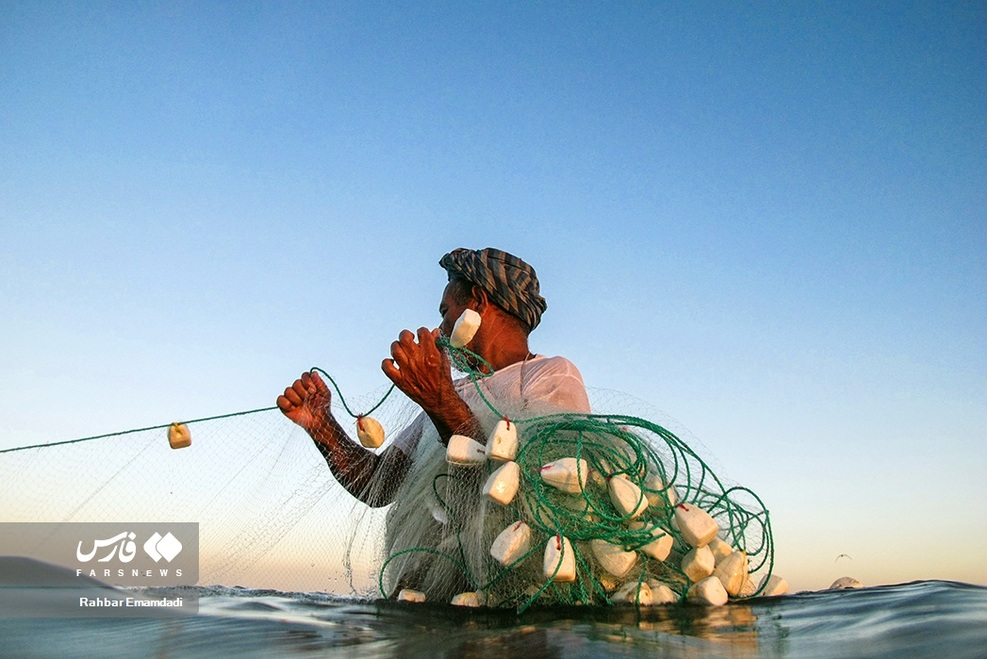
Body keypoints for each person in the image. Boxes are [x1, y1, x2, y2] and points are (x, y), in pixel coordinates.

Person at [276, 247, 591, 507]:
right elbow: (377, 485)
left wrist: (441, 403)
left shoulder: (549, 374)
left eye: (445, 311)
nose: (441, 328)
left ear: (478, 303)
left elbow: (541, 488)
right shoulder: (450, 391)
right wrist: (321, 424)